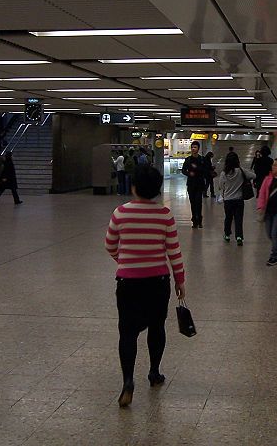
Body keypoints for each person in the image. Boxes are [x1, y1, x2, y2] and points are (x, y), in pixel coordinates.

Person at [105, 165, 185, 408]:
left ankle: (128, 382)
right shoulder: (165, 215)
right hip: (158, 282)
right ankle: (153, 372)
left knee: (127, 332)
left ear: (134, 186)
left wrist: (126, 261)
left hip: (128, 282)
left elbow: (110, 244)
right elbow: (174, 252)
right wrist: (180, 280)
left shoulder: (120, 213)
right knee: (157, 327)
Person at [217, 152, 256, 245]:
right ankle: (239, 237)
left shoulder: (223, 173)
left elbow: (220, 186)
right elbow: (253, 176)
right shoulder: (241, 171)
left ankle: (227, 235)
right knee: (238, 219)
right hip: (239, 200)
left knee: (228, 218)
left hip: (228, 200)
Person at [181, 141, 207, 228]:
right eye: (192, 147)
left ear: (198, 149)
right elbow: (183, 170)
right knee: (192, 203)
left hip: (199, 183)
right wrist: (189, 174)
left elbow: (205, 170)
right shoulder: (188, 160)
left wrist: (197, 168)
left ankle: (199, 219)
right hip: (191, 184)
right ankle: (194, 220)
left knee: (198, 202)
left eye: (195, 147)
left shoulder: (202, 159)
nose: (193, 149)